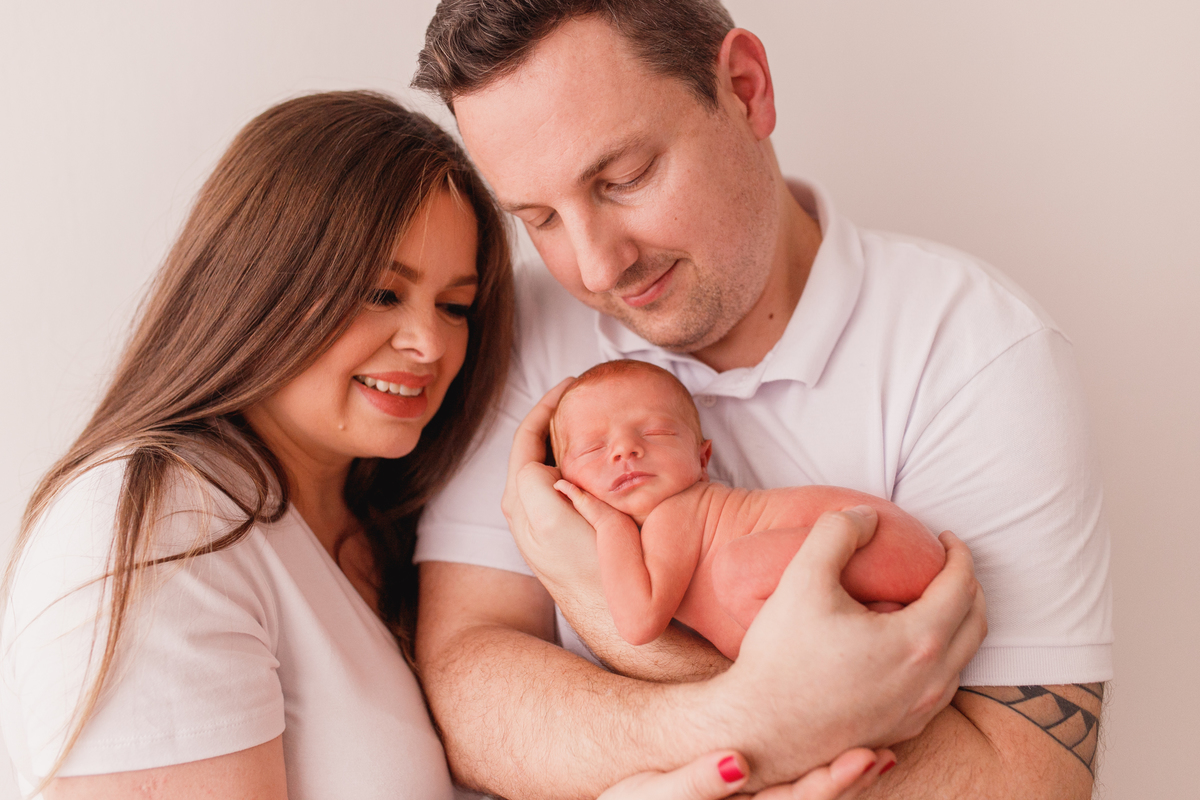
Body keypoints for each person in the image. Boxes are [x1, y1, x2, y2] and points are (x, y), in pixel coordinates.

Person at [3, 91, 898, 800]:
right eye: (382, 295)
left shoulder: (374, 527)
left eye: (456, 305)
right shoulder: (156, 530)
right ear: (261, 282)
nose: (431, 345)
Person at [410, 1, 1111, 798]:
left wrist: (594, 604)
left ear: (746, 89)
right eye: (538, 219)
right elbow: (465, 691)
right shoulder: (522, 325)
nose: (597, 269)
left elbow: (1022, 782)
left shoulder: (974, 351)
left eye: (624, 178)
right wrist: (741, 718)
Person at [548, 359, 945, 660]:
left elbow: (637, 623)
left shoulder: (675, 514)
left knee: (737, 569)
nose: (624, 450)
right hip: (889, 560)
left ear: (703, 460)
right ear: (562, 477)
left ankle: (837, 658)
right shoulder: (659, 541)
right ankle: (870, 623)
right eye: (593, 449)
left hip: (885, 540)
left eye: (655, 432)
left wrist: (607, 522)